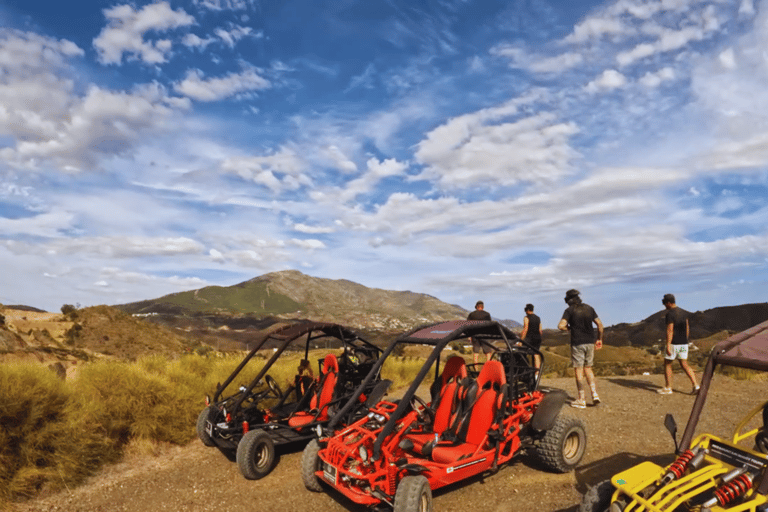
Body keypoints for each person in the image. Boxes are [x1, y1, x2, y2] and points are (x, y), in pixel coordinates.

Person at [558, 289, 604, 409]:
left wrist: (569, 328)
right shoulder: (589, 308)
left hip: (577, 342)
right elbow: (599, 325)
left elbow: (561, 325)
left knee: (579, 370)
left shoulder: (569, 310)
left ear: (568, 300)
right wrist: (599, 339)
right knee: (588, 368)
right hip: (590, 342)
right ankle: (595, 394)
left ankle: (581, 399)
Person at [657, 294, 699, 395]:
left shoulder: (670, 314)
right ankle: (696, 385)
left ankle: (668, 388)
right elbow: (687, 328)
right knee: (684, 364)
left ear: (668, 303)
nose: (664, 306)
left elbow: (670, 330)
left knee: (667, 364)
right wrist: (686, 340)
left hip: (674, 343)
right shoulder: (684, 313)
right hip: (684, 343)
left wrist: (668, 345)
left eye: (665, 303)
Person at [467, 300, 492, 364]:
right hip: (485, 335)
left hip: (475, 335)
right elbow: (490, 325)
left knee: (476, 353)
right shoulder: (487, 314)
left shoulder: (472, 314)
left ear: (477, 307)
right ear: (482, 307)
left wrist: (469, 336)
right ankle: (488, 367)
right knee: (488, 353)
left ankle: (476, 369)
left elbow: (468, 326)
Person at [520, 303, 543, 371]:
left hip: (529, 338)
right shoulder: (538, 318)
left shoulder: (526, 318)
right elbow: (540, 330)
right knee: (536, 354)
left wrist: (521, 340)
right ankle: (537, 372)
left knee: (522, 352)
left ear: (527, 310)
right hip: (537, 338)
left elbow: (526, 329)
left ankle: (525, 369)